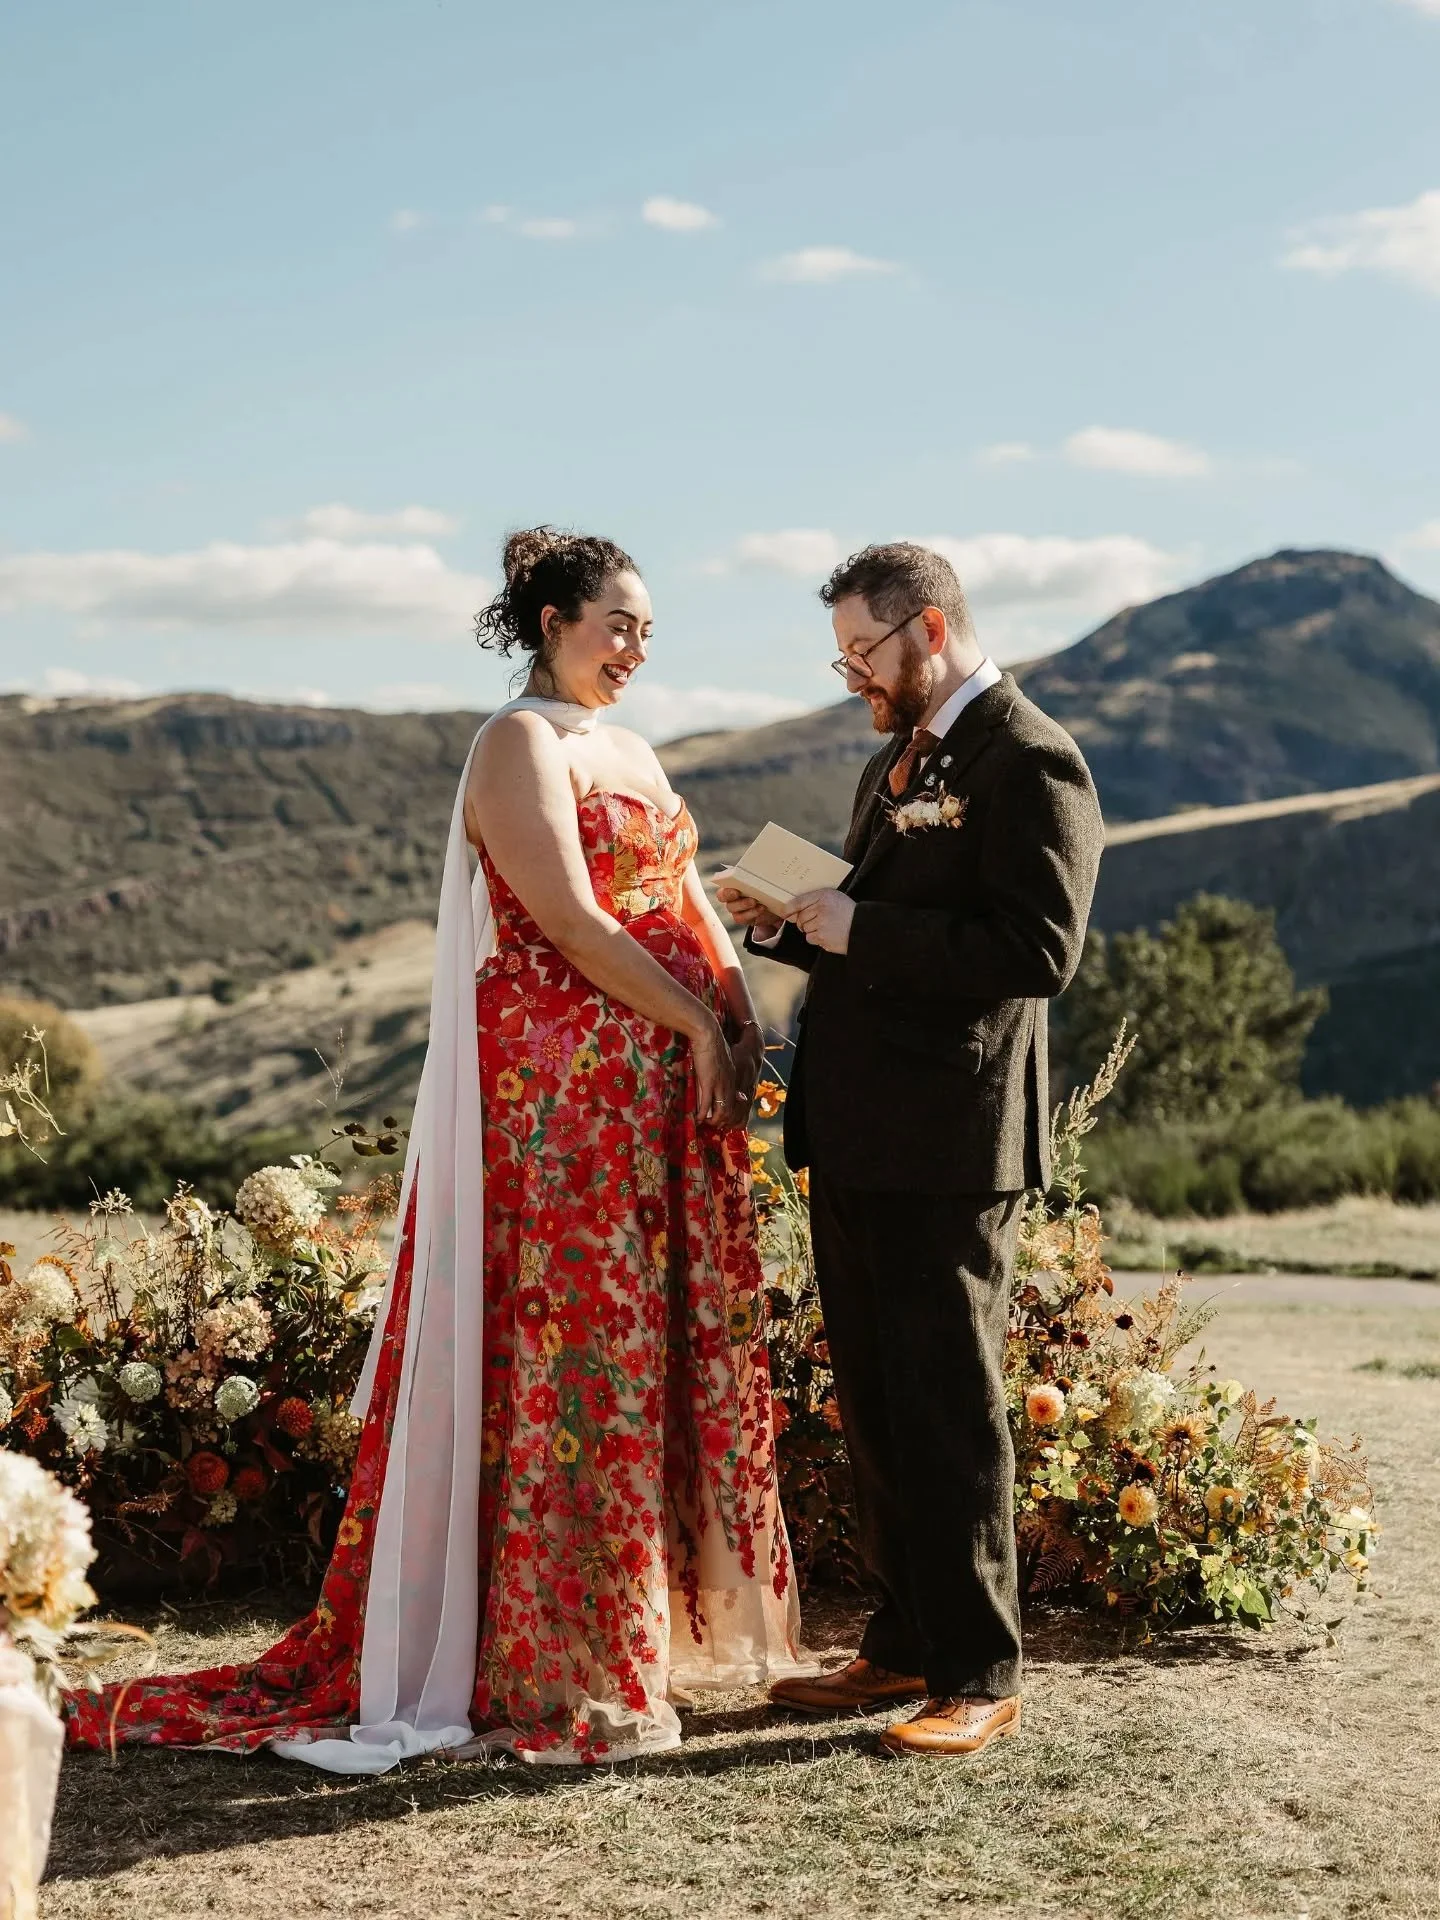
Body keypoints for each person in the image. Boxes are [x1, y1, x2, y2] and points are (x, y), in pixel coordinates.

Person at [65, 528, 806, 1771]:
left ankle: (635, 1633)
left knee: (650, 1355)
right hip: (561, 1107)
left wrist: (736, 1026)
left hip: (659, 1108)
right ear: (552, 619)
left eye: (649, 631)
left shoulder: (629, 748)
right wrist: (690, 1018)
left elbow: (671, 900)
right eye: (617, 623)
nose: (635, 648)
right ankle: (559, 1660)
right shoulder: (515, 743)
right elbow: (566, 919)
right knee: (579, 1365)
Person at [721, 541, 1103, 1758]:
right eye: (840, 657)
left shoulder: (1029, 755)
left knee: (948, 1403)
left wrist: (858, 922)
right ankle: (898, 1645)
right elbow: (873, 931)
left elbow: (1036, 952)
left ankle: (980, 1670)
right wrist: (789, 921)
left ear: (927, 630)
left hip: (951, 1138)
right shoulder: (902, 758)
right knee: (879, 1401)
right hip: (862, 1128)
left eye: (862, 652)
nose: (851, 676)